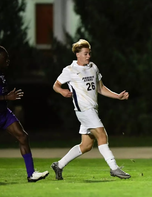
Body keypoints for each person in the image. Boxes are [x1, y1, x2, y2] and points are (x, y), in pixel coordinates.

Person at [51, 39, 131, 180]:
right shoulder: (69, 70)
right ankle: (114, 168)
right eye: (86, 53)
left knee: (87, 145)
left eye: (89, 53)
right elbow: (56, 85)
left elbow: (100, 88)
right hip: (83, 110)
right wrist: (62, 91)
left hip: (92, 109)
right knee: (102, 135)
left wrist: (117, 96)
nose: (89, 56)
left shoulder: (93, 67)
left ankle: (59, 165)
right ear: (77, 54)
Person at [0, 43, 49, 182]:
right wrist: (6, 97)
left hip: (3, 113)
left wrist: (6, 98)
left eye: (8, 58)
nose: (7, 61)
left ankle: (31, 174)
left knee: (23, 137)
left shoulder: (1, 74)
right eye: (5, 59)